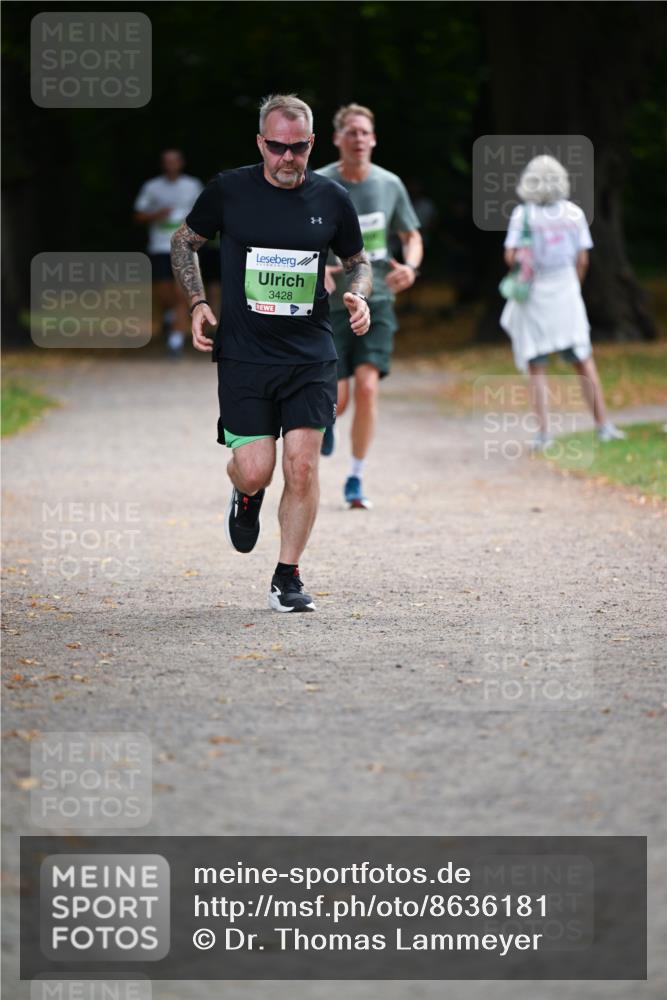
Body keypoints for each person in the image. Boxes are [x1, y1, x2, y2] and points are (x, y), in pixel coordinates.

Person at [170, 94, 371, 612]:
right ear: (261, 143)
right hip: (244, 355)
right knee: (256, 468)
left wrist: (360, 294)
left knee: (302, 466)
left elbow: (358, 259)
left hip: (310, 355)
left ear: (311, 144)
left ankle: (288, 575)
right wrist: (196, 302)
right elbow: (182, 242)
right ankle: (245, 494)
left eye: (298, 147)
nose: (288, 157)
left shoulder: (331, 198)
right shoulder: (229, 189)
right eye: (278, 147)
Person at [316, 103, 423, 509]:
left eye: (365, 132)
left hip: (376, 299)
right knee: (338, 399)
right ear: (338, 139)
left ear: (374, 139)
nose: (359, 139)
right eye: (351, 132)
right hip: (330, 304)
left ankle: (356, 478)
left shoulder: (389, 185)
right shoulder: (319, 183)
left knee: (367, 386)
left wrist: (411, 267)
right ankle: (327, 424)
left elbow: (411, 235)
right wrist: (316, 267)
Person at [500, 155, 626, 449]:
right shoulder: (574, 214)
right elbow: (582, 259)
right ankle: (603, 425)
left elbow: (510, 257)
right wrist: (574, 286)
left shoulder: (523, 215)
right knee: (583, 359)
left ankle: (544, 434)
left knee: (536, 364)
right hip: (567, 290)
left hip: (534, 294)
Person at [134, 149, 205, 356]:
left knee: (181, 292)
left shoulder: (193, 185)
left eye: (174, 161)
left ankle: (176, 340)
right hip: (159, 246)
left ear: (181, 163)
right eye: (167, 161)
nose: (171, 165)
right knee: (164, 293)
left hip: (185, 247)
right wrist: (156, 214)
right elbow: (138, 215)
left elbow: (205, 213)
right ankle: (170, 315)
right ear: (162, 164)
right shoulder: (152, 186)